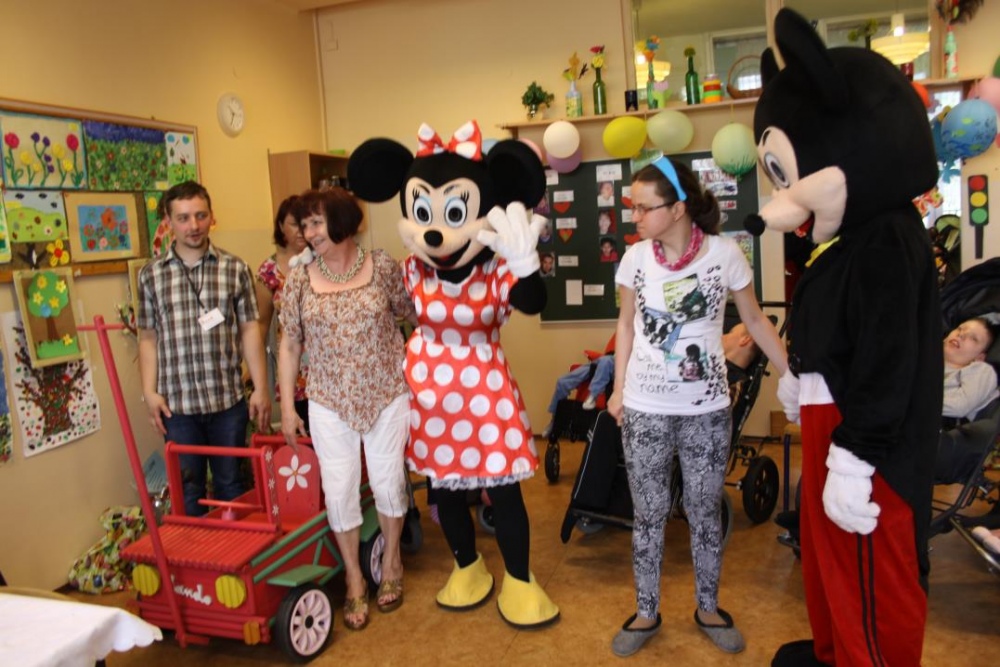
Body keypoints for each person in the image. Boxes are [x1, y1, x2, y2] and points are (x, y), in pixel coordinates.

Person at [606, 157, 787, 657]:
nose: (635, 217)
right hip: (644, 406)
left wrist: (793, 374)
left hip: (706, 409)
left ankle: (708, 608)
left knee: (704, 510)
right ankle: (646, 611)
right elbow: (625, 326)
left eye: (644, 208)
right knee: (648, 513)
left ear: (678, 208)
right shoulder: (635, 259)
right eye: (633, 207)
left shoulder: (724, 254)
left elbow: (755, 320)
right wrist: (618, 389)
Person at [278, 187, 415, 631]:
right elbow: (290, 344)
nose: (309, 233)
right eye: (305, 225)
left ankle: (391, 562)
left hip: (386, 391)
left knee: (388, 481)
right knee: (338, 491)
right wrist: (287, 407)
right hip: (327, 399)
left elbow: (412, 315)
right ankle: (354, 578)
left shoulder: (383, 266)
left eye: (316, 223)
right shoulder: (299, 279)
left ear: (341, 222)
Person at [137, 180, 270, 518]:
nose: (193, 226)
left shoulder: (235, 269)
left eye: (200, 215)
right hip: (178, 408)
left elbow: (250, 329)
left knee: (231, 486)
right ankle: (197, 553)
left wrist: (260, 387)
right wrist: (149, 392)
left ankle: (236, 551)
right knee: (188, 491)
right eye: (183, 218)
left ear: (212, 216)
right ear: (168, 222)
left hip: (227, 402)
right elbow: (148, 337)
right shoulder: (151, 276)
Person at [255, 195, 310, 432]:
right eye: (294, 224)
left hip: (328, 365)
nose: (301, 231)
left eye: (306, 223)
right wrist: (254, 370)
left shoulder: (322, 259)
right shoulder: (269, 271)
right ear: (280, 226)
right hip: (293, 364)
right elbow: (260, 324)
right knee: (302, 436)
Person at [935, 316, 999, 483]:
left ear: (980, 356)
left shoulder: (980, 370)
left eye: (973, 338)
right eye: (960, 329)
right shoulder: (924, 359)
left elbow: (960, 406)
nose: (961, 335)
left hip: (942, 436)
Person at [541, 334, 616, 438]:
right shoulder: (622, 331)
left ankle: (593, 395)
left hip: (617, 365)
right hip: (604, 360)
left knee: (606, 361)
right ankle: (555, 419)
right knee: (563, 382)